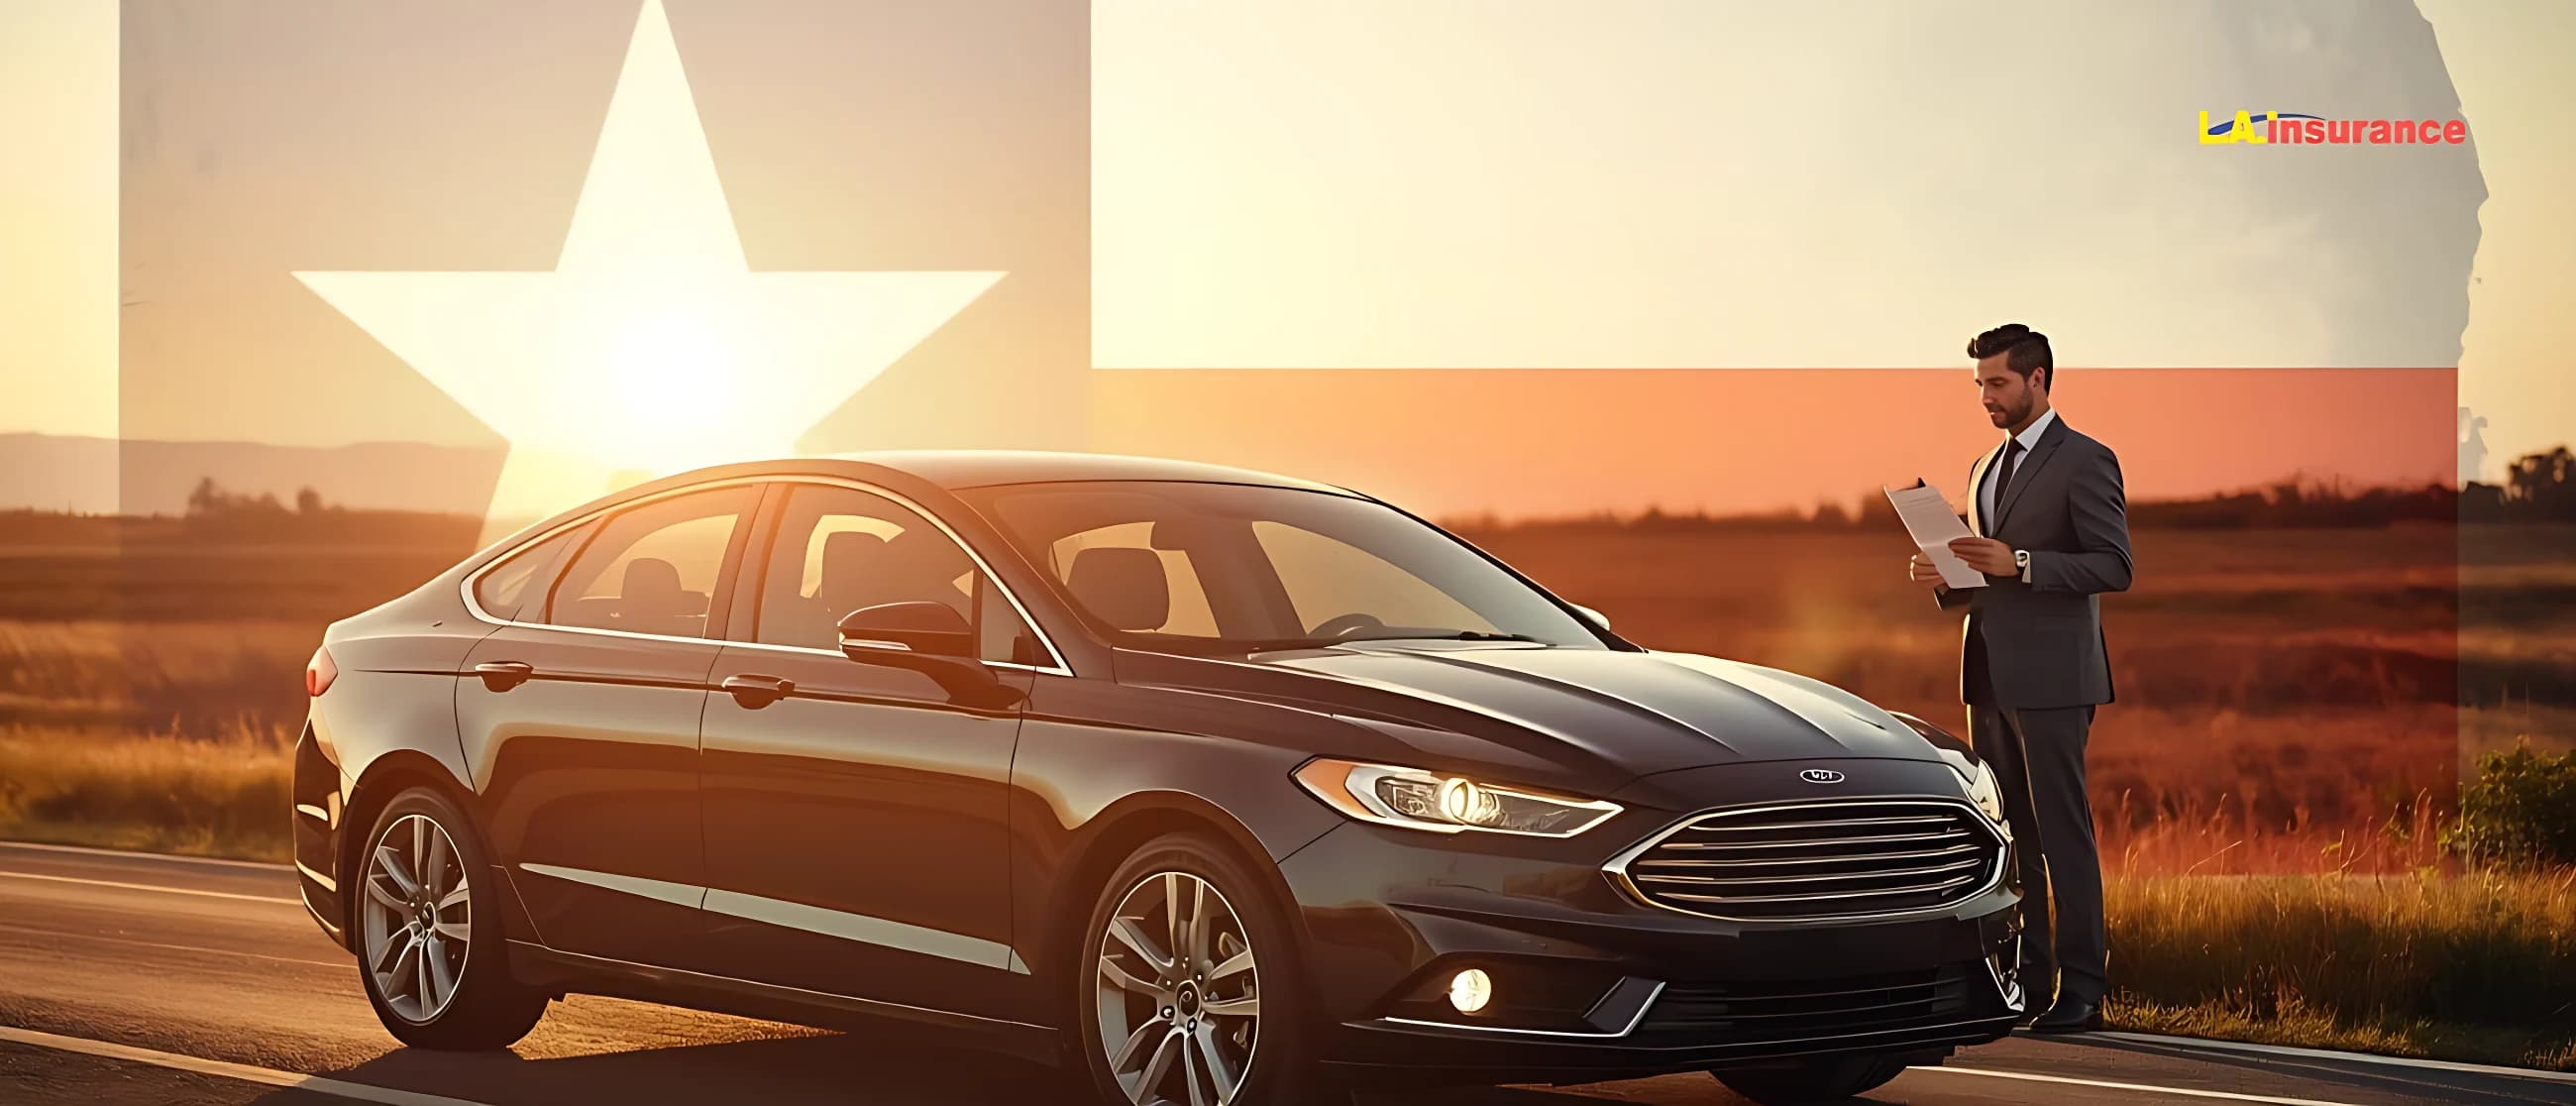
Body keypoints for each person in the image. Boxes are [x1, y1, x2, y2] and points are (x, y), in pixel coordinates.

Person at [1907, 323, 2132, 1034]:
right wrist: (1945, 576)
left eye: (1998, 384)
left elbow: (2113, 565)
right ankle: (2030, 985)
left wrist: (2025, 563)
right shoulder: (1980, 467)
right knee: (2015, 837)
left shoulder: (2087, 460)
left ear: (2038, 380)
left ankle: (2084, 990)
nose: (1986, 398)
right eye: (1979, 386)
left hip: (2057, 678)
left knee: (2064, 834)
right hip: (1989, 675)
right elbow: (1986, 574)